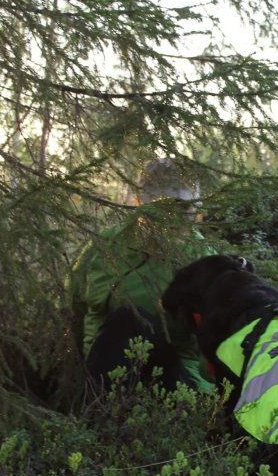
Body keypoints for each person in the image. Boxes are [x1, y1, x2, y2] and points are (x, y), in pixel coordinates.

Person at [68, 158, 215, 394]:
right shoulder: (103, 247)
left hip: (178, 383)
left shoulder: (205, 262)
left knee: (131, 318)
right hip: (105, 377)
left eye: (181, 208)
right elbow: (74, 311)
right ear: (137, 203)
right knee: (127, 318)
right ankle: (97, 415)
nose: (171, 218)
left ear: (197, 210)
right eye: (161, 208)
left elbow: (212, 349)